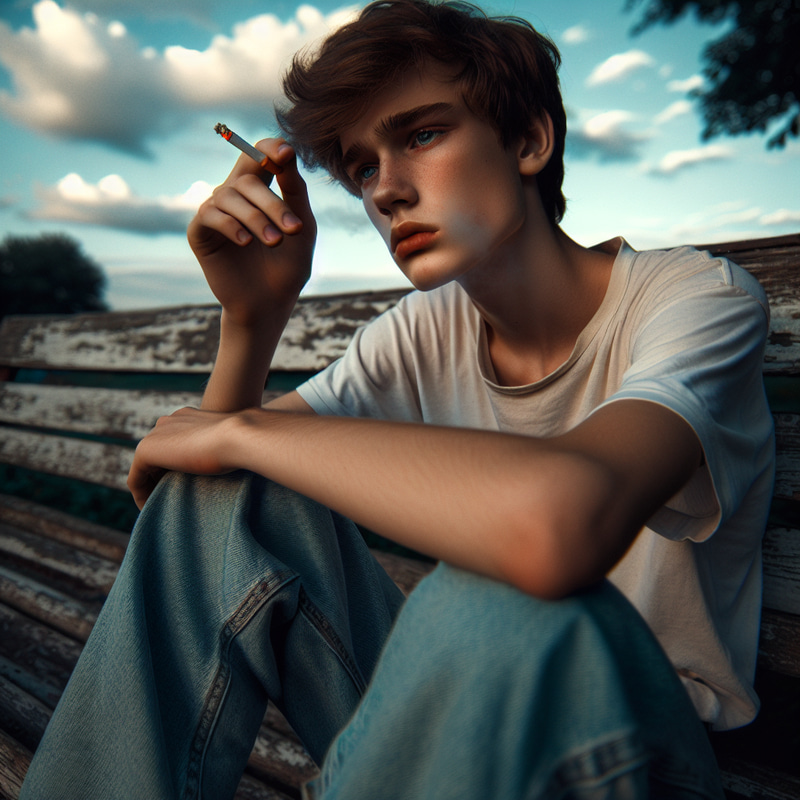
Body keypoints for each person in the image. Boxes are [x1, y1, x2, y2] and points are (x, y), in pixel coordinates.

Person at [20, 1, 774, 798]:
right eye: (360, 168)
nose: (385, 191)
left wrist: (238, 436)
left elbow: (559, 532)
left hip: (634, 745)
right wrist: (253, 320)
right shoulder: (424, 330)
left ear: (528, 140)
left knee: (500, 592)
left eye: (420, 135)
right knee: (224, 497)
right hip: (459, 706)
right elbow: (196, 491)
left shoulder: (694, 299)